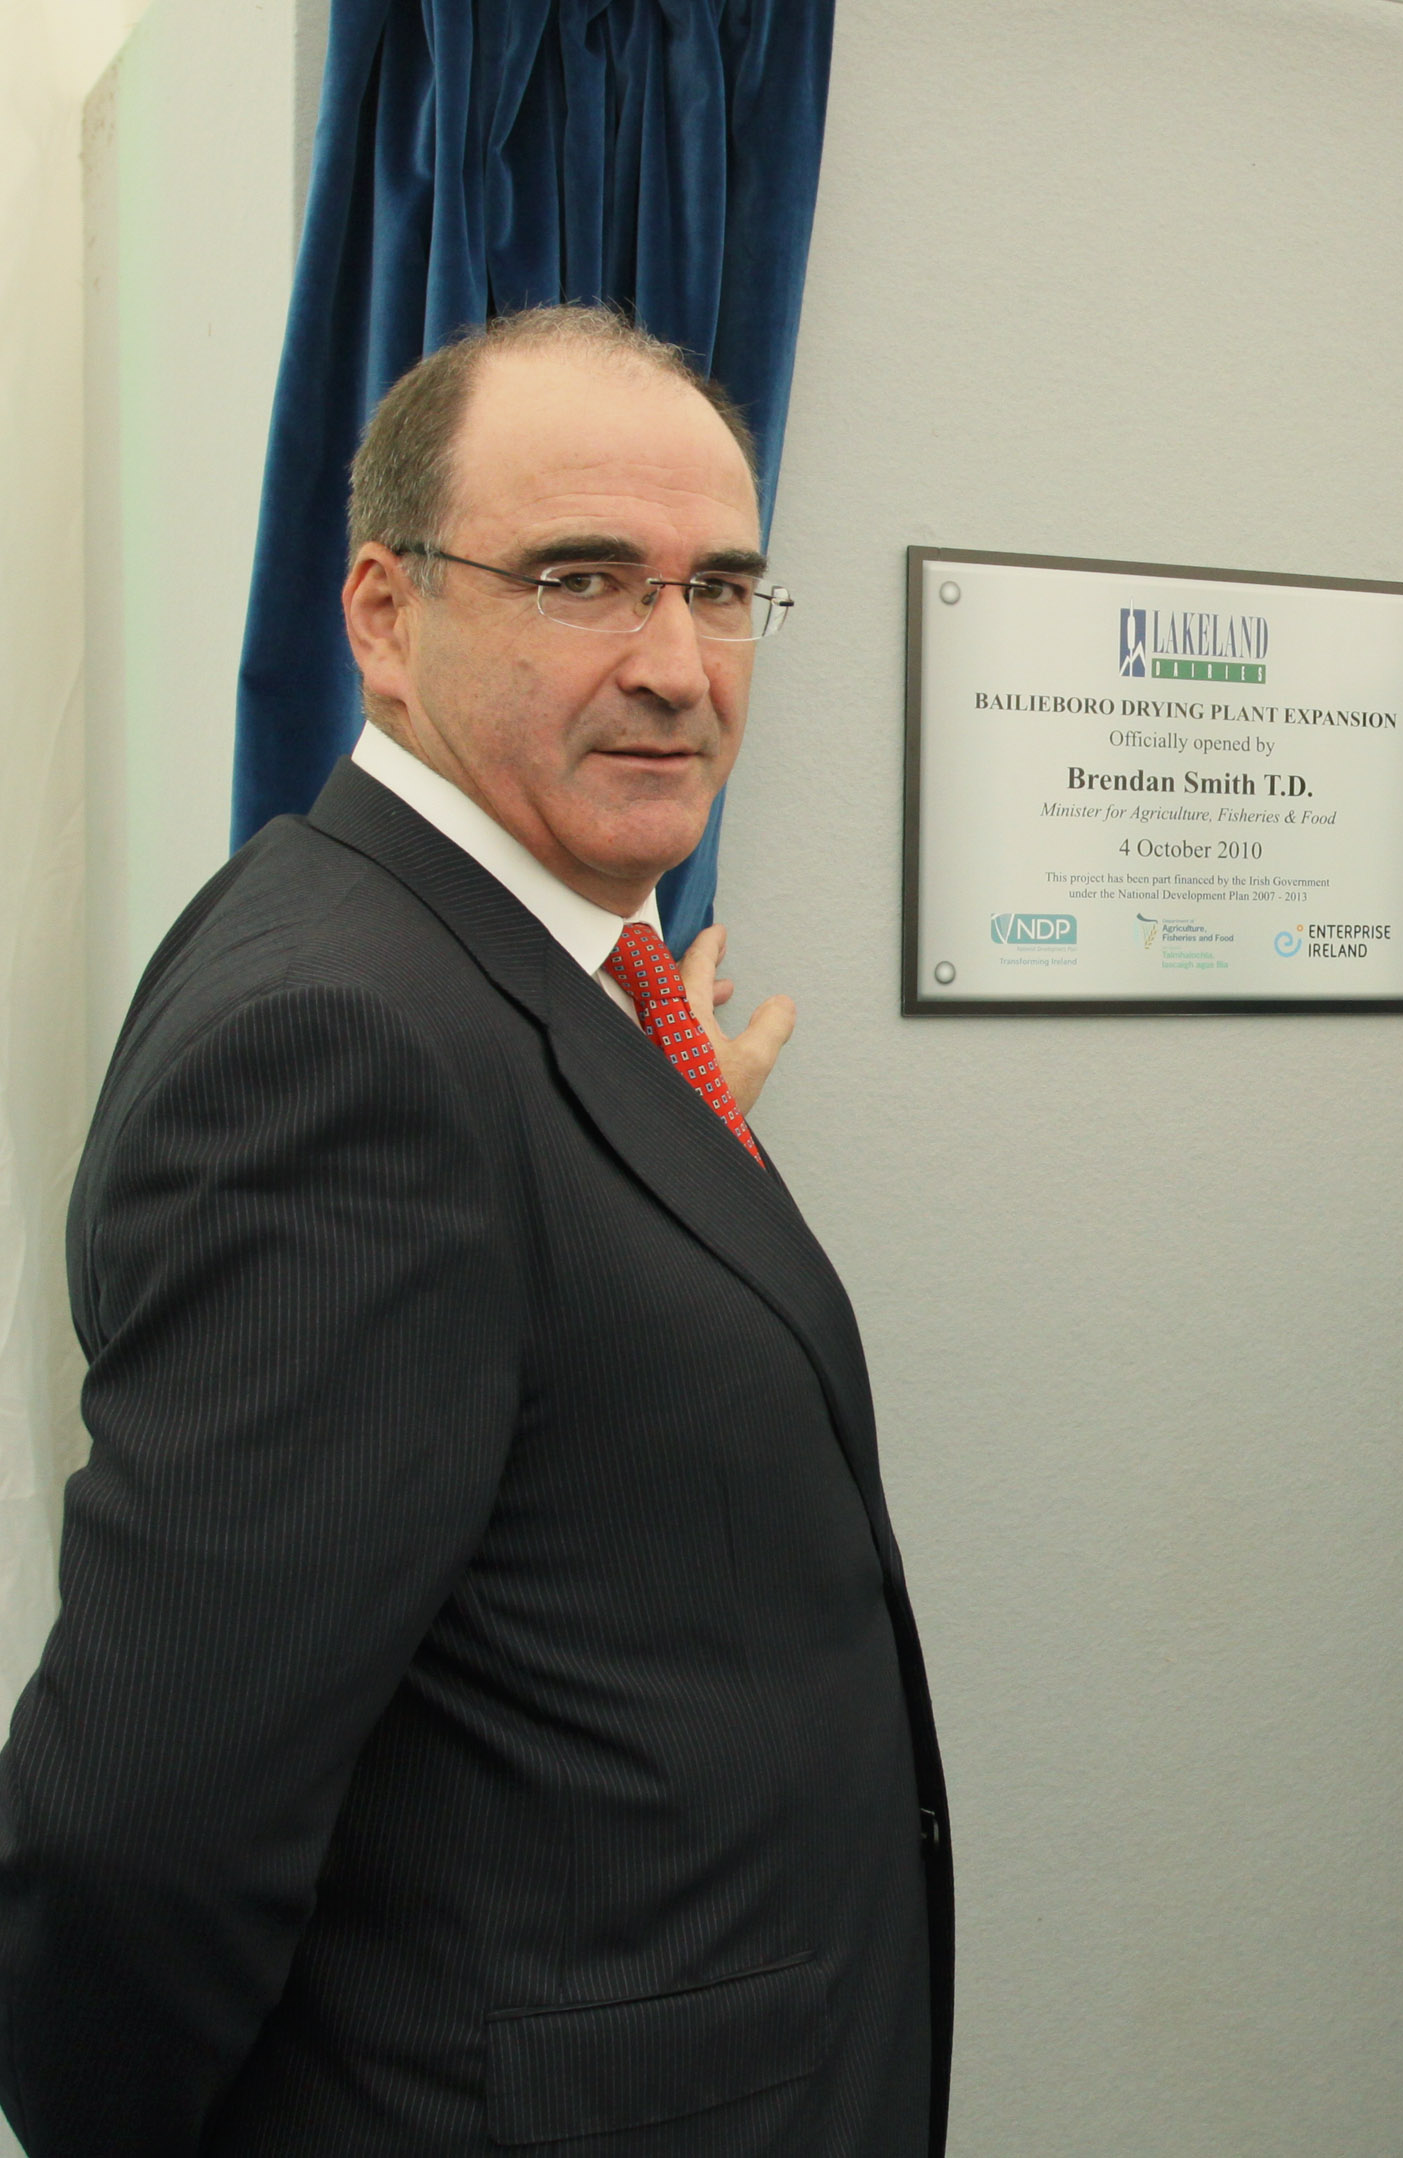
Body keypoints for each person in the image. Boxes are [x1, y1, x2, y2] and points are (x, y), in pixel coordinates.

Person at [0, 305, 950, 2156]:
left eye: (720, 588)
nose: (675, 664)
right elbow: (137, 1830)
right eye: (583, 580)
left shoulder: (513, 976)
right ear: (383, 613)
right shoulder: (342, 1044)